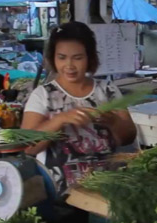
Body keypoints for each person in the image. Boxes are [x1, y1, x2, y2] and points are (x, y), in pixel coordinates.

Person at [22, 21, 137, 196]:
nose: (69, 65)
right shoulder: (43, 94)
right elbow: (29, 148)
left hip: (108, 187)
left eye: (78, 58)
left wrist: (113, 122)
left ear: (89, 58)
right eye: (62, 57)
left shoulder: (107, 90)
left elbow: (129, 137)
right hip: (61, 192)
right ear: (53, 58)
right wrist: (60, 120)